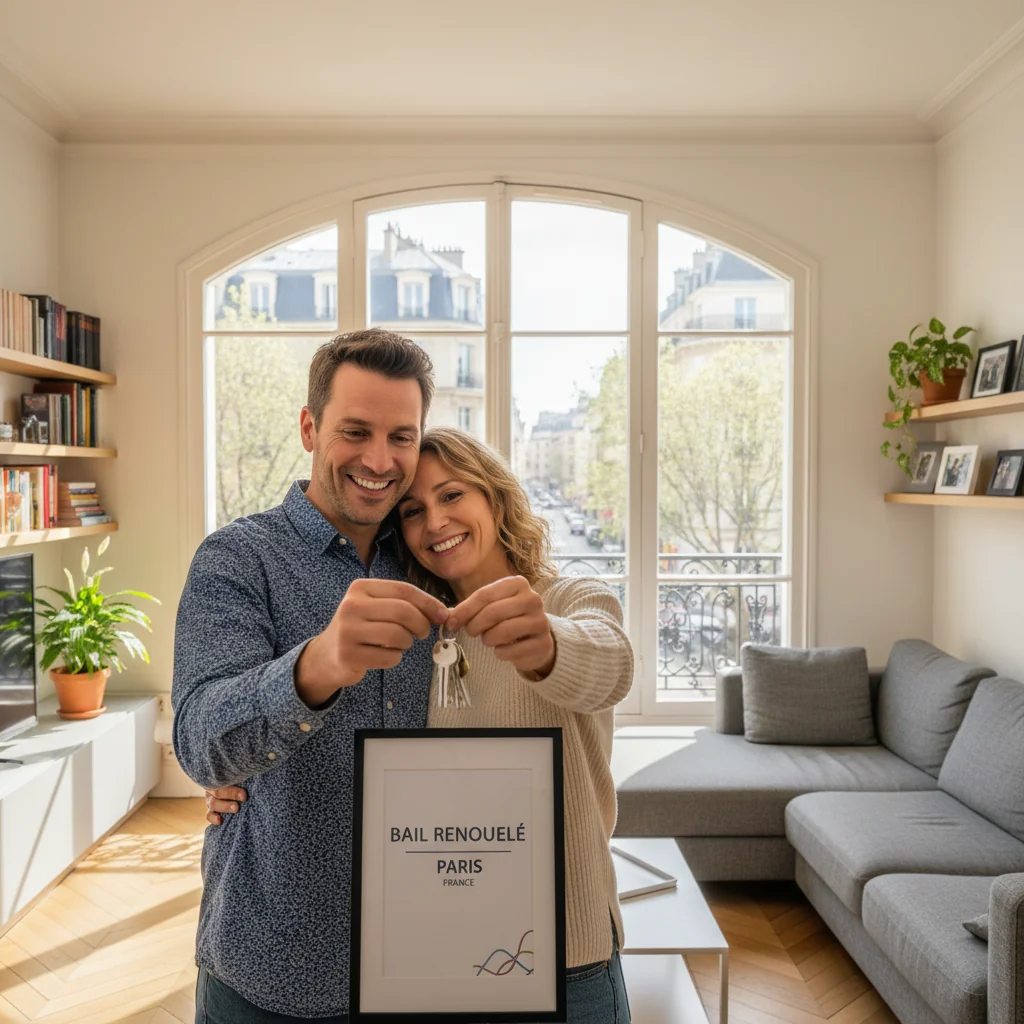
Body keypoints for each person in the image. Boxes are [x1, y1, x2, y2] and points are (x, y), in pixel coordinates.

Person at [209, 427, 635, 1023]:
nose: (434, 522)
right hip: (453, 952)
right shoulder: (418, 635)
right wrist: (243, 779)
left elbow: (611, 663)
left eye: (453, 496)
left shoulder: (568, 598)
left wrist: (548, 646)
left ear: (497, 498)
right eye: (413, 510)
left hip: (571, 954)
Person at [173, 330, 451, 1023]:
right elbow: (200, 742)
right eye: (355, 431)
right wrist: (317, 665)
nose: (380, 460)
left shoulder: (429, 558)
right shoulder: (236, 560)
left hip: (423, 956)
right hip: (272, 966)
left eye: (402, 437)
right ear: (308, 427)